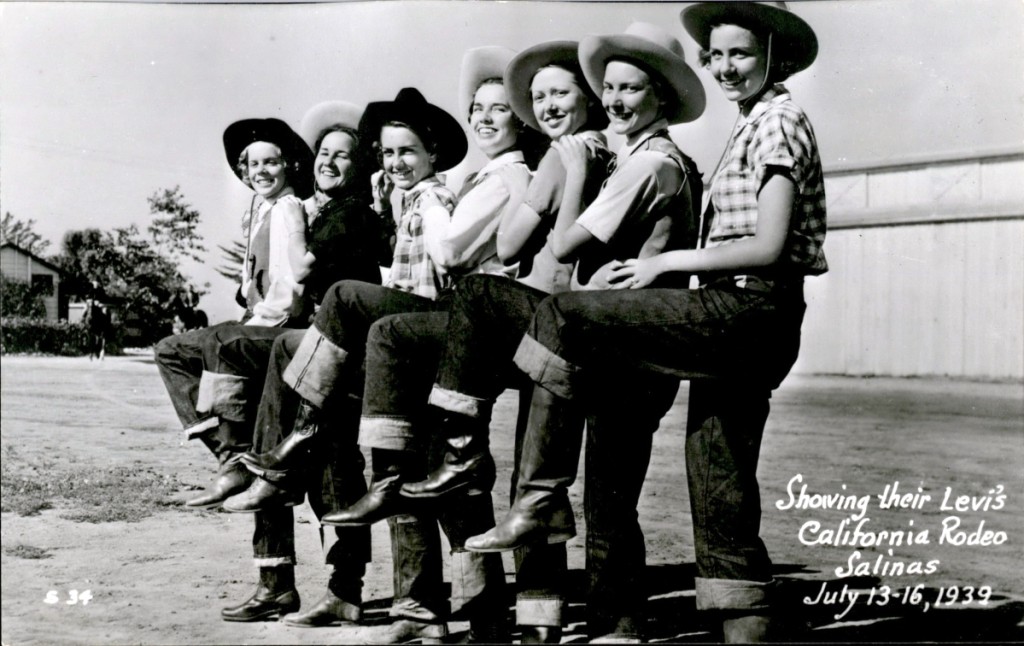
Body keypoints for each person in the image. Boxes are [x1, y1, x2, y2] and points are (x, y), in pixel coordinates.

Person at [470, 3, 827, 642]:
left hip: (747, 305)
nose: (725, 67)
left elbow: (770, 244)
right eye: (715, 55)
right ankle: (743, 626)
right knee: (717, 475)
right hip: (743, 312)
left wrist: (660, 266)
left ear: (775, 55)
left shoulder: (777, 122)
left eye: (739, 53)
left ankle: (540, 497)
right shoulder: (751, 125)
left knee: (563, 314)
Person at [370, 23, 706, 641]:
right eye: (612, 87)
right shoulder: (628, 157)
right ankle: (607, 623)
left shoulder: (591, 158)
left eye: (568, 93)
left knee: (545, 487)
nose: (554, 106)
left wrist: (571, 180)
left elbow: (527, 244)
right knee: (594, 496)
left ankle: (467, 468)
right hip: (590, 343)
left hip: (578, 340)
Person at [331, 40, 613, 643]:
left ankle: (503, 611)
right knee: (498, 478)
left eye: (500, 109)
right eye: (477, 109)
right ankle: (495, 612)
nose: (485, 118)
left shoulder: (525, 171)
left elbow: (476, 253)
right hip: (503, 328)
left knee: (513, 481)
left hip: (524, 326)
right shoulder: (508, 171)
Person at [219, 82, 519, 643]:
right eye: (386, 153)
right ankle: (417, 607)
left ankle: (478, 606)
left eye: (407, 151)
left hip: (437, 344)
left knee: (445, 478)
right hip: (400, 349)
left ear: (432, 153)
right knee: (402, 472)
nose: (396, 162)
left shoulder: (434, 200)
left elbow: (448, 263)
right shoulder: (397, 204)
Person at [189, 101, 386, 626]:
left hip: (338, 360)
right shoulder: (305, 210)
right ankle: (274, 582)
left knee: (333, 469)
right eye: (324, 152)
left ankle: (345, 589)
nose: (329, 162)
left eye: (343, 156)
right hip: (294, 351)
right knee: (268, 461)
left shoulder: (353, 215)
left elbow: (306, 278)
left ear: (361, 166)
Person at [153, 117, 314, 508]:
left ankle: (237, 455)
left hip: (281, 322)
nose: (261, 172)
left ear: (288, 165)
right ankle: (231, 456)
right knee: (171, 350)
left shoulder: (288, 207)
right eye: (253, 165)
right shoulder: (260, 211)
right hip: (256, 317)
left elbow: (289, 279)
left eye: (270, 163)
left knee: (225, 341)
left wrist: (262, 317)